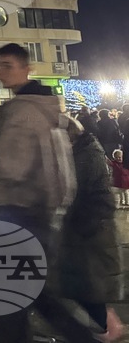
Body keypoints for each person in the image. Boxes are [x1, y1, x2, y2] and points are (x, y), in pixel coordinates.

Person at [0, 43, 94, 343]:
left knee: (9, 305)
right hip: (37, 215)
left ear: (26, 68)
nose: (0, 71)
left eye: (7, 65)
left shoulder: (22, 112)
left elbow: (11, 168)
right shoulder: (44, 109)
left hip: (19, 214)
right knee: (36, 297)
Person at [58, 116, 124, 342]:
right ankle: (103, 326)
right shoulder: (83, 152)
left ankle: (103, 330)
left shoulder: (85, 156)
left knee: (89, 287)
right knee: (85, 288)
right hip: (86, 231)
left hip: (90, 232)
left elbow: (75, 193)